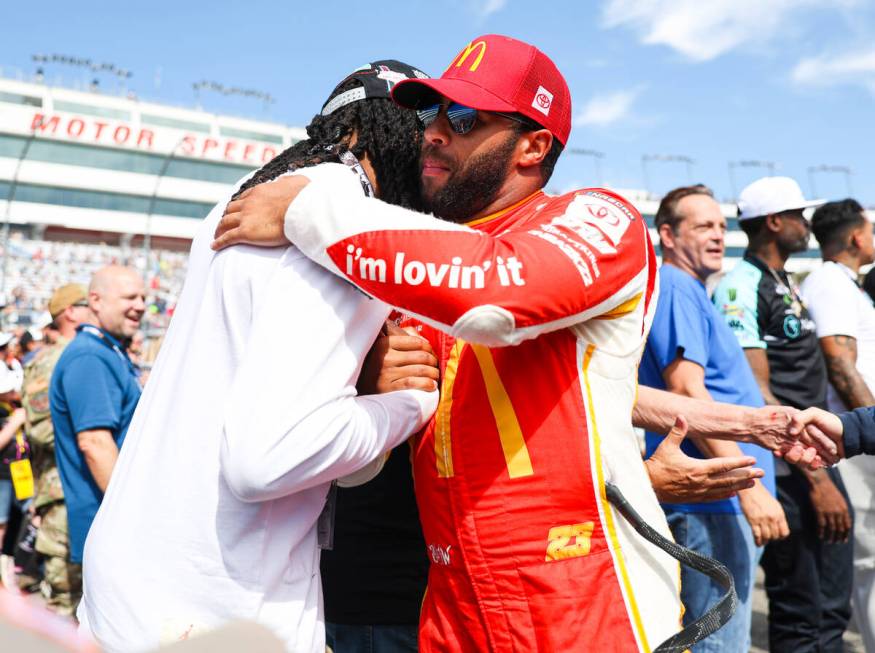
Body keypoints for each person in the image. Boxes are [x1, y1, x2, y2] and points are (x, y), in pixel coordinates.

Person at [214, 33, 708, 651]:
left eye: (466, 117)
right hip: (451, 611)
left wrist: (309, 210)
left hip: (586, 607)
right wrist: (370, 390)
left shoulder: (597, 216)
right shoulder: (404, 261)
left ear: (533, 146)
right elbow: (359, 471)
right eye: (433, 113)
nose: (435, 132)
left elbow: (498, 298)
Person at [77, 61, 438, 652]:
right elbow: (269, 459)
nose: (438, 143)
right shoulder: (348, 221)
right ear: (385, 130)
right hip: (214, 608)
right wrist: (410, 403)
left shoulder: (250, 199)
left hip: (134, 583)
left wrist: (355, 389)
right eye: (427, 123)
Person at [639, 184, 786, 652]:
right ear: (667, 234)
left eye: (721, 226)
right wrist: (752, 488)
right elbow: (685, 390)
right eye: (703, 226)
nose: (718, 235)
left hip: (721, 499)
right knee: (716, 645)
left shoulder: (693, 292)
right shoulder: (677, 286)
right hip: (714, 501)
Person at [713, 176, 853, 652]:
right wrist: (814, 480)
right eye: (798, 216)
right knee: (799, 610)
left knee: (832, 609)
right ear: (774, 223)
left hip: (817, 465)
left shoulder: (785, 281)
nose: (807, 225)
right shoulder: (740, 285)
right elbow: (755, 394)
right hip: (788, 470)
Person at [802, 198, 875, 651]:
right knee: (870, 562)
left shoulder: (847, 284)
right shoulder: (829, 282)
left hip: (863, 433)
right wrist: (869, 429)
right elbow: (841, 366)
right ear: (855, 237)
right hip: (856, 442)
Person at [48, 267, 144, 591]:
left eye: (143, 297)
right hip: (109, 525)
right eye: (130, 297)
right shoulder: (89, 356)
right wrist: (136, 512)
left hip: (112, 525)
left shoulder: (106, 350)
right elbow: (94, 443)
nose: (141, 305)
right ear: (96, 301)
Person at [20, 284, 91, 616]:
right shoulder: (53, 359)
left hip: (84, 487)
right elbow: (42, 428)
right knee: (65, 596)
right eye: (85, 303)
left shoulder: (87, 352)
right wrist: (95, 436)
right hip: (61, 488)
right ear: (70, 312)